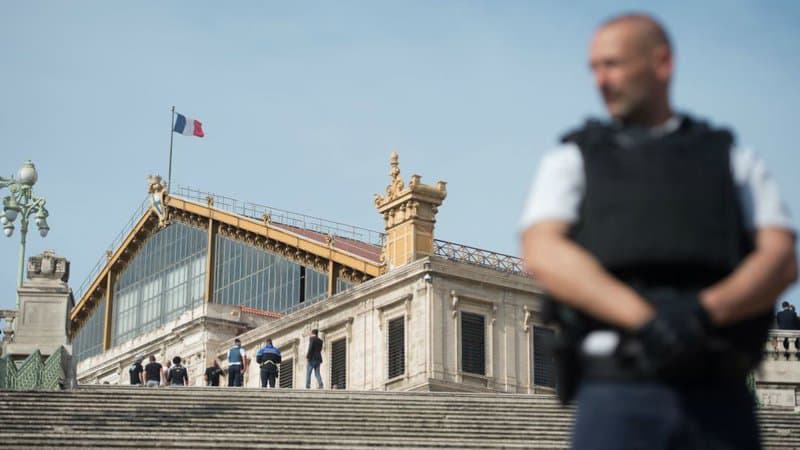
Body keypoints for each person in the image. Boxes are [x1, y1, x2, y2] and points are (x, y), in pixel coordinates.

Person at [520, 13, 797, 450]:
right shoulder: (572, 158)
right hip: (617, 389)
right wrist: (649, 321)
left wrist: (700, 315)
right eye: (594, 68)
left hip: (715, 389)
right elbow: (542, 252)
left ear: (661, 62)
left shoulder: (733, 159)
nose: (601, 80)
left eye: (612, 64)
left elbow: (780, 257)